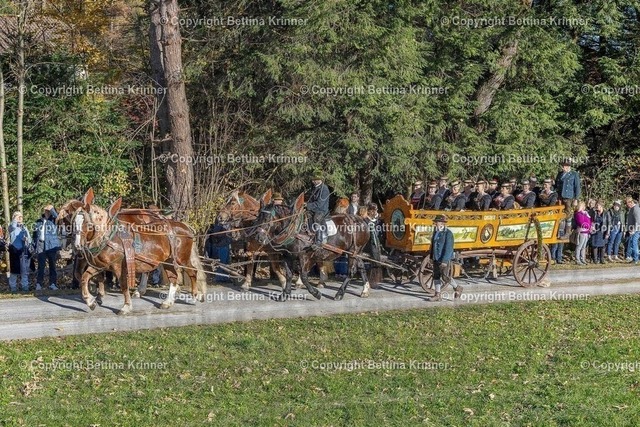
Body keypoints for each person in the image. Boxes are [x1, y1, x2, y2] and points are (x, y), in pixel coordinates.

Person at [429, 214, 462, 302]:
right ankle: (437, 295)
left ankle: (457, 288)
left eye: (437, 222)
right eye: (436, 222)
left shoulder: (448, 233)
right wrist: (431, 257)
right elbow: (433, 245)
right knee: (436, 276)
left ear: (442, 223)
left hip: (443, 259)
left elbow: (449, 248)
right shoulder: (435, 232)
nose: (436, 223)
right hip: (436, 258)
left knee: (445, 277)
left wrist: (444, 261)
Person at [32, 205, 60, 290]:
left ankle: (53, 284)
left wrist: (52, 209)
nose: (47, 212)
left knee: (52, 265)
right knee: (41, 266)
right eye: (46, 210)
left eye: (48, 211)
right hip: (41, 244)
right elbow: (34, 235)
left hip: (51, 245)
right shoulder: (38, 221)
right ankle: (39, 284)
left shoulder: (54, 220)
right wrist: (34, 246)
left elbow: (58, 217)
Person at [8, 211, 31, 292]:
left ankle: (25, 287)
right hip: (14, 251)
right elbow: (12, 227)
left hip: (23, 251)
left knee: (24, 271)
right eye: (18, 216)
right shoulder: (11, 226)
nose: (20, 218)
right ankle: (13, 288)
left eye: (21, 216)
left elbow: (29, 239)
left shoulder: (24, 227)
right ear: (14, 217)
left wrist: (26, 239)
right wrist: (15, 219)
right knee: (14, 271)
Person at [307, 173, 331, 249]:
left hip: (322, 210)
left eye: (315, 180)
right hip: (314, 209)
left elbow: (320, 204)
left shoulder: (324, 189)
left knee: (317, 218)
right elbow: (311, 200)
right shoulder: (314, 188)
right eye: (313, 180)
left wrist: (308, 206)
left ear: (320, 180)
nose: (313, 181)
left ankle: (319, 241)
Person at [205, 218, 232, 283]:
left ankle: (225, 278)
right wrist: (224, 232)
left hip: (225, 244)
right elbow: (215, 234)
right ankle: (219, 278)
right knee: (221, 263)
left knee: (226, 262)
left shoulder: (226, 224)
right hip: (220, 246)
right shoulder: (215, 226)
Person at [573, 201, 591, 265]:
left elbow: (589, 221)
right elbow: (581, 222)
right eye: (583, 206)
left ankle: (583, 259)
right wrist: (587, 226)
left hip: (586, 232)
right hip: (581, 232)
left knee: (584, 247)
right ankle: (577, 260)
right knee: (579, 246)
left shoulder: (585, 213)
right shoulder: (578, 214)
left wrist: (587, 216)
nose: (584, 207)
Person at [625, 197, 640, 264]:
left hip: (637, 230)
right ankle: (634, 258)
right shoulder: (632, 209)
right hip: (633, 229)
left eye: (627, 204)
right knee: (632, 243)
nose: (627, 205)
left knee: (634, 243)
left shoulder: (636, 209)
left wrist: (634, 230)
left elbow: (638, 221)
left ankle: (636, 259)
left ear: (631, 202)